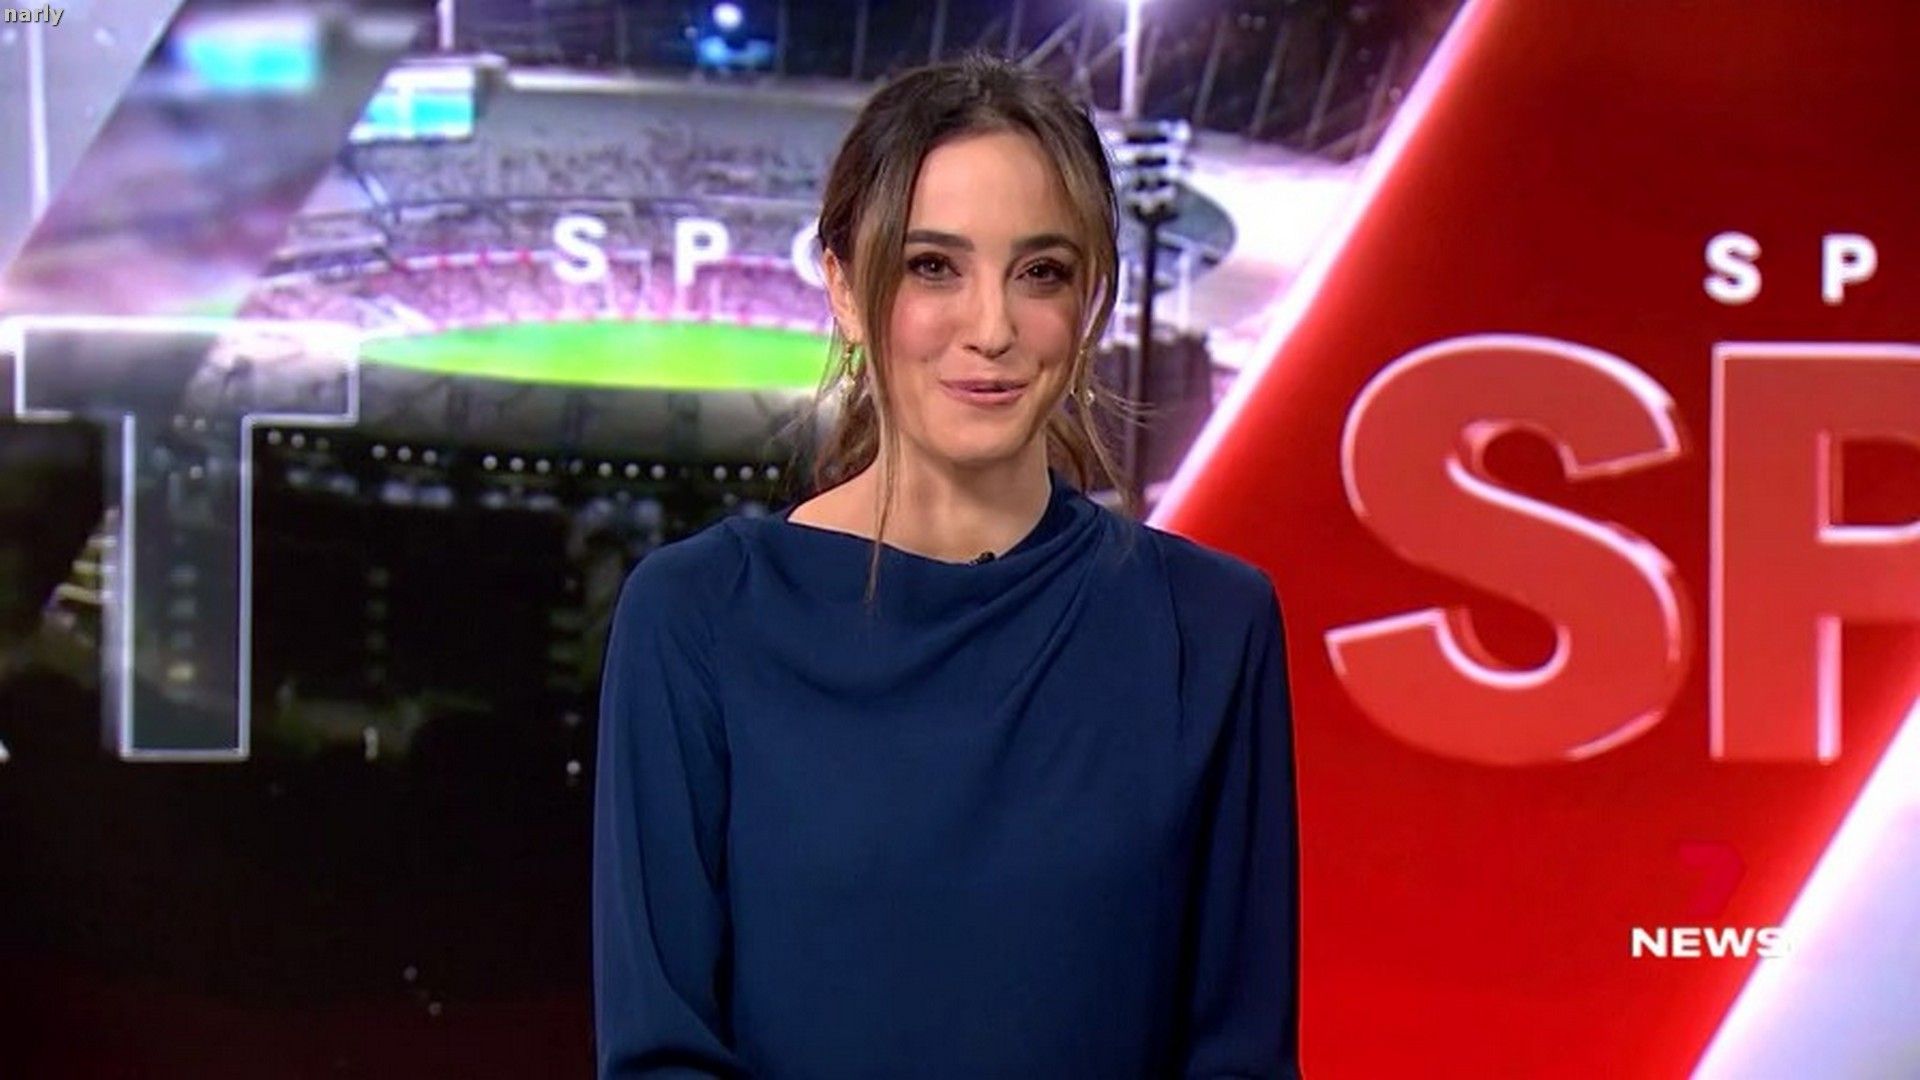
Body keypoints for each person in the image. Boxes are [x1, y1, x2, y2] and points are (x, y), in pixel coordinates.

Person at [593, 52, 1300, 1079]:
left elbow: (1240, 1058)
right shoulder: (697, 616)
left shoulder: (1212, 625)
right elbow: (662, 1055)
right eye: (934, 266)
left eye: (1041, 272)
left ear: (1090, 301)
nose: (992, 330)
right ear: (844, 287)